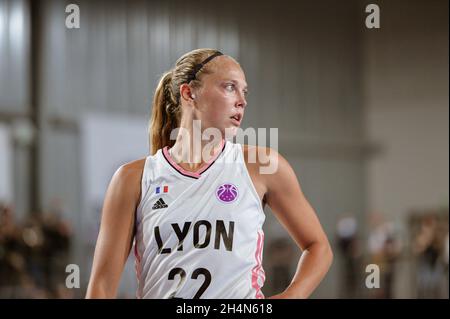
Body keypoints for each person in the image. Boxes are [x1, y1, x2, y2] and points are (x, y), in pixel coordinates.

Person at [86, 48, 333, 299]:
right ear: (189, 93)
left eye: (244, 91)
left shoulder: (262, 165)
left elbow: (318, 246)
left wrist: (293, 295)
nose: (242, 100)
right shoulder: (133, 178)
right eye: (229, 87)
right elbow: (102, 287)